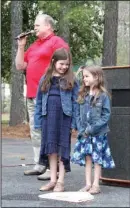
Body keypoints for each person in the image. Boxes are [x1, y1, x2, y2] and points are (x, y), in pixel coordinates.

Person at [15, 14, 69, 179]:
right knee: (36, 129)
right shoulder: (33, 46)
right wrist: (21, 46)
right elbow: (20, 66)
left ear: (48, 26)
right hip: (32, 93)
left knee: (49, 129)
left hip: (49, 93)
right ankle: (40, 163)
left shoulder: (56, 41)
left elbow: (65, 63)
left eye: (38, 25)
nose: (35, 27)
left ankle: (53, 168)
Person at [34, 48, 79, 192]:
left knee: (62, 149)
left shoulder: (71, 80)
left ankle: (61, 181)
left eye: (67, 64)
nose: (64, 67)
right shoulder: (45, 78)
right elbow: (39, 102)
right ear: (53, 62)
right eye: (61, 64)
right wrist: (38, 121)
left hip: (64, 118)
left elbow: (76, 102)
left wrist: (75, 123)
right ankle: (52, 180)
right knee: (51, 150)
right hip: (48, 118)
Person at [71, 66, 115, 194]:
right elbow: (78, 113)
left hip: (98, 134)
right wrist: (80, 129)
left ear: (96, 77)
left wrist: (91, 129)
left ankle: (96, 184)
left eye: (87, 76)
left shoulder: (103, 96)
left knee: (97, 158)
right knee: (88, 158)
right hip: (84, 134)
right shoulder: (82, 94)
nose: (84, 79)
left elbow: (106, 116)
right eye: (83, 76)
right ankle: (88, 184)